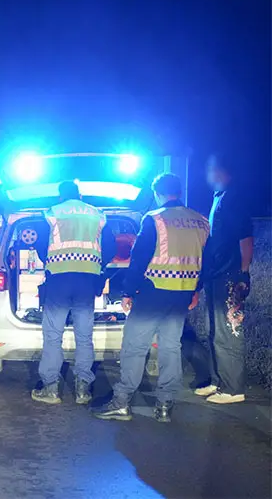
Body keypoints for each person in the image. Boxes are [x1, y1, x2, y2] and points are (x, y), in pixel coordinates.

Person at [91, 173, 209, 422]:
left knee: (135, 347)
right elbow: (206, 260)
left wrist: (128, 291)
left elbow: (139, 258)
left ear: (157, 194)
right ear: (179, 191)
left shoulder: (155, 219)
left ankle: (122, 402)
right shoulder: (201, 221)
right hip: (182, 294)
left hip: (153, 291)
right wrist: (196, 290)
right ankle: (165, 405)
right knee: (171, 347)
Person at [31, 180, 116, 405]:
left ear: (61, 196)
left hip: (58, 279)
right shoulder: (97, 214)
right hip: (87, 281)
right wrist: (96, 265)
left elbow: (40, 245)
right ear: (80, 195)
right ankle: (83, 390)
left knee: (53, 335)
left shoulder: (52, 213)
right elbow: (111, 247)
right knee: (84, 336)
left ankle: (51, 389)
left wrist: (52, 261)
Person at [195, 153, 254, 404]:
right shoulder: (219, 197)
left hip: (230, 276)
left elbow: (246, 238)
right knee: (215, 331)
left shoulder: (234, 199)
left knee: (230, 331)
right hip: (215, 275)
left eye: (210, 169)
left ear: (221, 171)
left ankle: (233, 389)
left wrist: (242, 273)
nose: (207, 175)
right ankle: (218, 381)